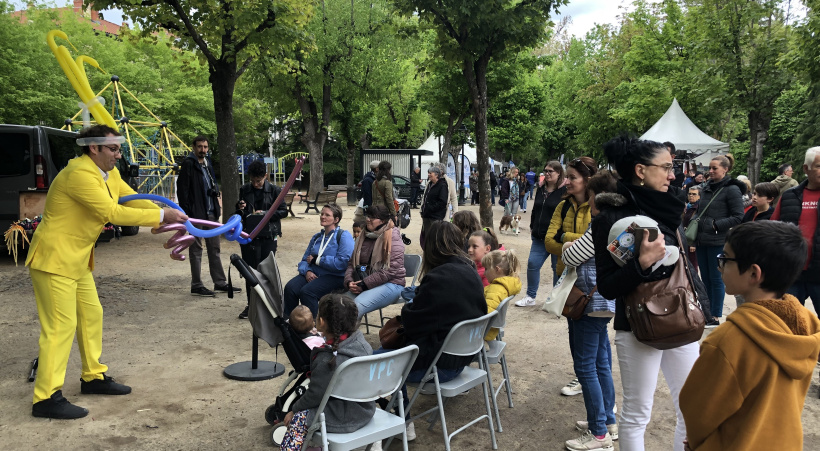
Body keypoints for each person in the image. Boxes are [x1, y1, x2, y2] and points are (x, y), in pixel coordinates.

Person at [25, 125, 188, 419]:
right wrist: (163, 215)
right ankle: (45, 397)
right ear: (93, 148)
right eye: (112, 149)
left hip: (76, 260)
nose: (118, 154)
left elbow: (130, 197)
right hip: (54, 260)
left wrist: (162, 216)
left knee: (92, 315)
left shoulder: (108, 173)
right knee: (60, 327)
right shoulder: (79, 174)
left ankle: (93, 377)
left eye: (118, 148)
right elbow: (112, 212)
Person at [592, 135, 699, 451]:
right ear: (640, 170)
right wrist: (641, 263)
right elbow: (609, 285)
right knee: (638, 413)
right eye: (666, 167)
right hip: (638, 325)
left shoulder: (668, 208)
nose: (672, 175)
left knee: (690, 407)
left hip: (681, 318)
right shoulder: (615, 218)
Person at [680, 221, 820, 451]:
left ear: (754, 273)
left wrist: (696, 444)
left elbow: (698, 411)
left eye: (725, 259)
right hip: (786, 442)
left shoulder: (728, 340)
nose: (719, 267)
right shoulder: (806, 323)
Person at [386, 221, 487, 437]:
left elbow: (414, 323)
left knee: (378, 361)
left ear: (431, 247)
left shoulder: (439, 277)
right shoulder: (470, 270)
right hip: (464, 357)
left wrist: (409, 309)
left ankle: (402, 424)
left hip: (438, 367)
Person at [561, 170, 619, 451]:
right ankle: (607, 421)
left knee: (585, 367)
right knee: (599, 364)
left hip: (589, 301)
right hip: (605, 301)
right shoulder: (621, 224)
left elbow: (571, 254)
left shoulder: (600, 224)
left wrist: (568, 244)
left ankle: (599, 434)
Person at [279, 294, 375, 451]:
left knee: (297, 420)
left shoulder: (327, 360)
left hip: (340, 416)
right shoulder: (362, 345)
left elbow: (315, 395)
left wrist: (294, 409)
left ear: (321, 322)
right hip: (364, 410)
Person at [545, 156, 596, 398]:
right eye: (567, 177)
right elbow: (548, 241)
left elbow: (599, 243)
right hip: (566, 278)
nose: (567, 182)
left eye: (572, 177)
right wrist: (579, 242)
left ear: (588, 180)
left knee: (593, 337)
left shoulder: (598, 207)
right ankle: (582, 375)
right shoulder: (562, 205)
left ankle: (591, 378)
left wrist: (566, 237)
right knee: (574, 329)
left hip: (591, 284)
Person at [177, 135, 235, 297]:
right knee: (196, 248)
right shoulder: (189, 164)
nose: (203, 150)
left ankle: (220, 282)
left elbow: (212, 186)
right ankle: (196, 285)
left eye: (205, 147)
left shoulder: (207, 165)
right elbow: (183, 190)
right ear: (194, 147)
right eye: (200, 147)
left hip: (210, 212)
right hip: (196, 214)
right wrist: (187, 212)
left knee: (214, 248)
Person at [693, 155, 745, 327]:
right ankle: (706, 312)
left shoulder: (732, 190)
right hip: (702, 240)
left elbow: (738, 216)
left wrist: (716, 225)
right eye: (710, 167)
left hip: (718, 240)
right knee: (704, 278)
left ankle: (715, 315)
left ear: (726, 169)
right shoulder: (707, 187)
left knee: (716, 279)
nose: (711, 171)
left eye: (715, 168)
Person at [235, 160, 287, 319]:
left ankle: (267, 305)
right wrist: (240, 208)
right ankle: (251, 306)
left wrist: (266, 214)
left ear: (265, 176)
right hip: (249, 236)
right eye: (252, 180)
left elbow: (284, 211)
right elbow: (240, 214)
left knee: (266, 271)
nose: (256, 184)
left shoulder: (274, 190)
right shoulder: (245, 189)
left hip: (268, 235)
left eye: (259, 180)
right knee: (250, 271)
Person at [771, 146, 820, 314]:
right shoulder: (790, 195)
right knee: (790, 321)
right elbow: (774, 229)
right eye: (819, 166)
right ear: (806, 168)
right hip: (793, 271)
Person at [283, 204, 354, 318]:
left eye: (327, 215)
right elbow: (304, 260)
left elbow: (342, 262)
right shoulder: (317, 237)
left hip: (335, 276)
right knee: (290, 288)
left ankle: (312, 328)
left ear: (336, 219)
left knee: (307, 292)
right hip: (314, 273)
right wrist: (307, 271)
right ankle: (290, 325)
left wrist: (318, 260)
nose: (322, 217)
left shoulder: (343, 236)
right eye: (321, 214)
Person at [516, 161, 567, 307]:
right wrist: (532, 226)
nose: (547, 174)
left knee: (556, 268)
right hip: (539, 237)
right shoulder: (541, 189)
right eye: (546, 171)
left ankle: (555, 299)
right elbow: (536, 210)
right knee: (533, 263)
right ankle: (530, 296)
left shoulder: (564, 192)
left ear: (559, 173)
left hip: (556, 238)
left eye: (551, 171)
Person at [343, 205, 405, 321]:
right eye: (368, 216)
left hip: (392, 283)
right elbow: (352, 263)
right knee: (340, 305)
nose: (368, 219)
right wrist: (349, 282)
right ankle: (335, 337)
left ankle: (346, 338)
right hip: (365, 281)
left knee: (356, 306)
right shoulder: (363, 235)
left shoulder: (393, 237)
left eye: (372, 217)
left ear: (383, 221)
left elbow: (390, 271)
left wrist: (364, 285)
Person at [481, 249, 521, 341]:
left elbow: (487, 313)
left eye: (486, 269)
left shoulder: (496, 289)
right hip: (491, 330)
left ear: (497, 269)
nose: (484, 273)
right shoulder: (505, 286)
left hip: (484, 332)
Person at [419, 166, 448, 249]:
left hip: (435, 217)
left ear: (436, 175)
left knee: (434, 238)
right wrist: (423, 210)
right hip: (427, 216)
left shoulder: (442, 185)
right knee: (427, 237)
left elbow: (442, 202)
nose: (428, 175)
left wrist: (430, 208)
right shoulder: (430, 184)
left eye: (430, 173)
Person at [682, 186, 701, 273]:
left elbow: (698, 226)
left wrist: (693, 244)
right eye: (689, 194)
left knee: (693, 265)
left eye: (694, 194)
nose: (691, 196)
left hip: (692, 241)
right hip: (685, 239)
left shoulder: (699, 208)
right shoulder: (688, 206)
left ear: (699, 196)